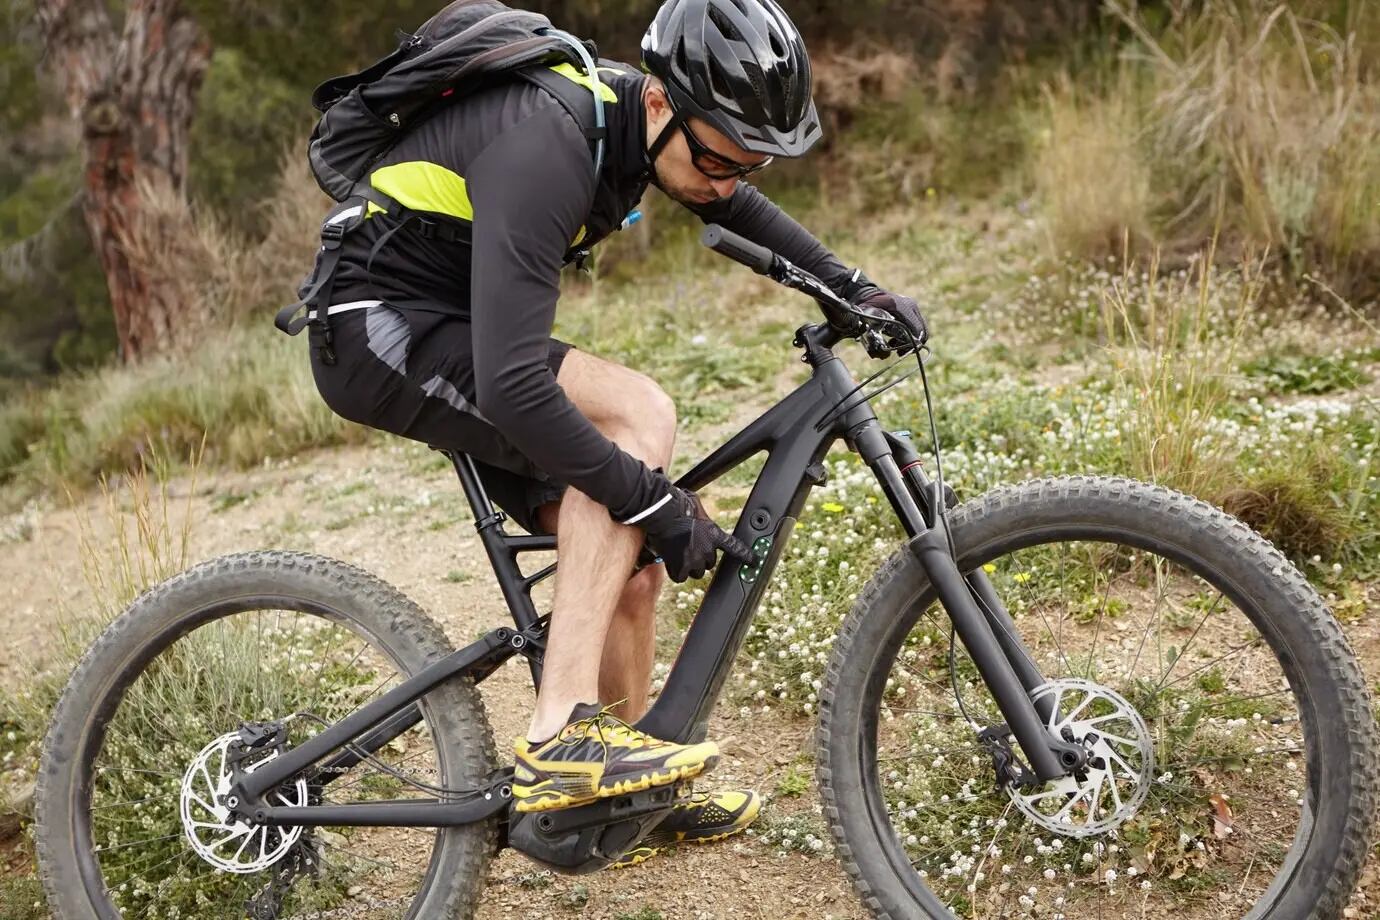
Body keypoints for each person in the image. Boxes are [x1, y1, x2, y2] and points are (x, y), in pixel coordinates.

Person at [302, 0, 927, 868]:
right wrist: (656, 500)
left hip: (452, 322)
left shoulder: (633, 124)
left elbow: (734, 205)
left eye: (750, 164)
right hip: (379, 327)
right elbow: (517, 386)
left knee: (627, 563)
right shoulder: (547, 142)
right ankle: (561, 736)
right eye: (718, 158)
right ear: (665, 103)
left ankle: (632, 799)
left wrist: (852, 287)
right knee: (639, 418)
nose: (727, 179)